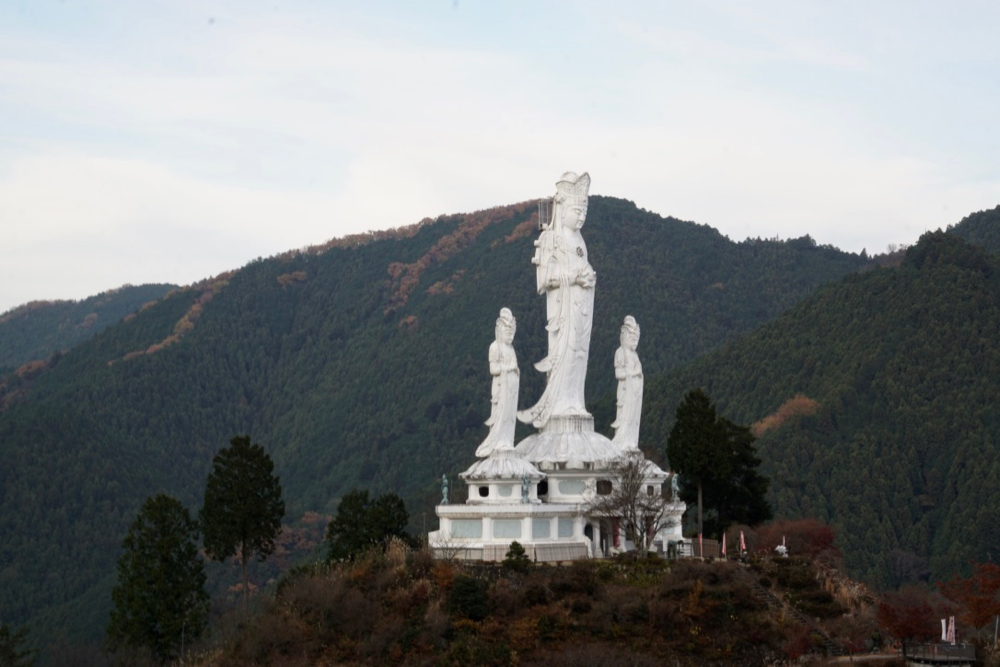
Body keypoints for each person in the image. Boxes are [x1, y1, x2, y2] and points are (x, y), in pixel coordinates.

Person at [519, 172, 595, 429]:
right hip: (563, 310)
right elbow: (544, 280)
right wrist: (573, 277)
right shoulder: (551, 238)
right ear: (562, 209)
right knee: (566, 351)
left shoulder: (581, 240)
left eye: (585, 210)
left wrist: (587, 279)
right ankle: (561, 403)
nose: (582, 216)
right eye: (577, 209)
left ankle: (576, 400)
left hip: (581, 307)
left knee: (580, 354)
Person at [476, 308, 520, 457]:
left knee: (509, 415)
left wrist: (514, 371)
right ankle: (496, 441)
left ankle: (507, 440)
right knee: (499, 414)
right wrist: (508, 369)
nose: (511, 337)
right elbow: (493, 369)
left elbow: (515, 366)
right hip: (500, 387)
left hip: (511, 388)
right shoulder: (494, 347)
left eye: (513, 334)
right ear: (500, 331)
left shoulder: (511, 348)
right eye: (508, 334)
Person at [611, 316, 643, 448]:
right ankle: (622, 441)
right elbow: (618, 374)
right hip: (625, 390)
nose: (635, 342)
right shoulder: (620, 352)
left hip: (635, 392)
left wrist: (637, 375)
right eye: (632, 339)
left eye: (637, 340)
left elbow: (639, 370)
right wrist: (633, 374)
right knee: (624, 417)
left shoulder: (635, 355)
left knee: (634, 419)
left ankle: (631, 441)